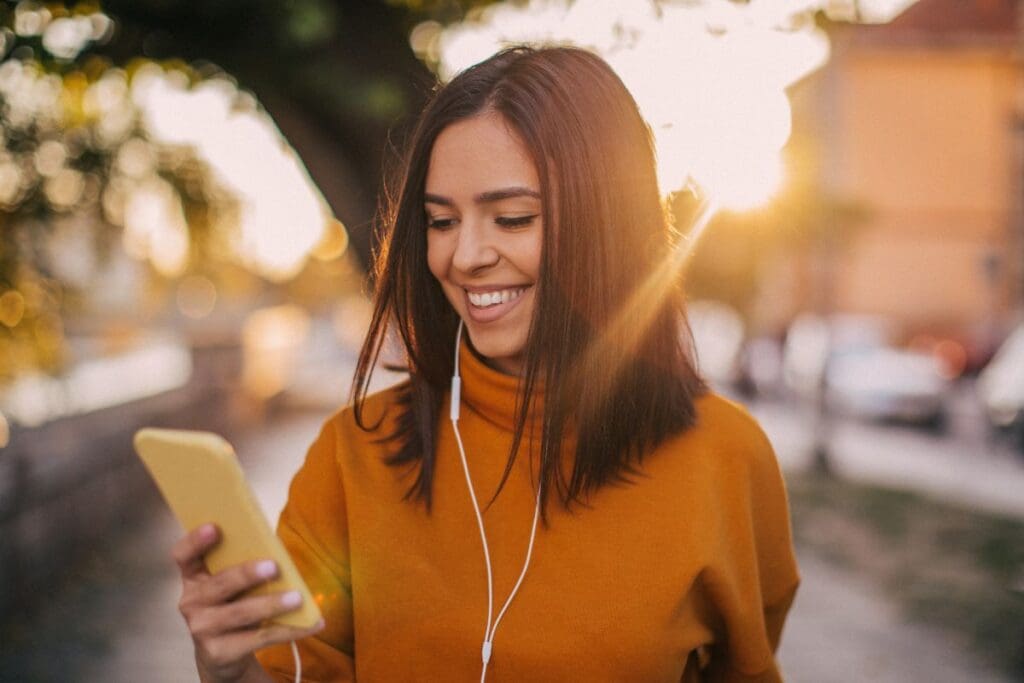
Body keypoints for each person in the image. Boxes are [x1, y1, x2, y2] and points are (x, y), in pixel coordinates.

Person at [171, 45, 800, 682]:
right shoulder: (353, 454)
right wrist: (231, 670)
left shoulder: (727, 457)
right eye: (441, 221)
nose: (466, 255)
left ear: (608, 221)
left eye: (512, 218)